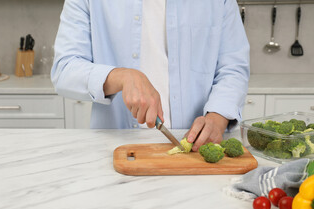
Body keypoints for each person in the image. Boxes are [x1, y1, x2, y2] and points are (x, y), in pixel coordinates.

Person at [51, 0, 250, 152]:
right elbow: (65, 67)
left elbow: (233, 67)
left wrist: (218, 117)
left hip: (197, 151)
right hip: (114, 151)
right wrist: (121, 77)